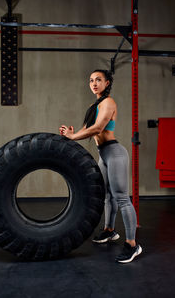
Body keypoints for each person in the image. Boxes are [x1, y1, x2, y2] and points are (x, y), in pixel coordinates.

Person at [59, 69, 142, 263]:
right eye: (91, 80)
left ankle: (132, 245)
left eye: (98, 80)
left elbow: (98, 128)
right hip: (103, 154)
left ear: (107, 83)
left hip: (115, 153)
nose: (94, 83)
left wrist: (74, 137)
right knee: (106, 195)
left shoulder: (108, 102)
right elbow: (87, 129)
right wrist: (72, 133)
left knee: (122, 198)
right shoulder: (94, 105)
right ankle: (109, 230)